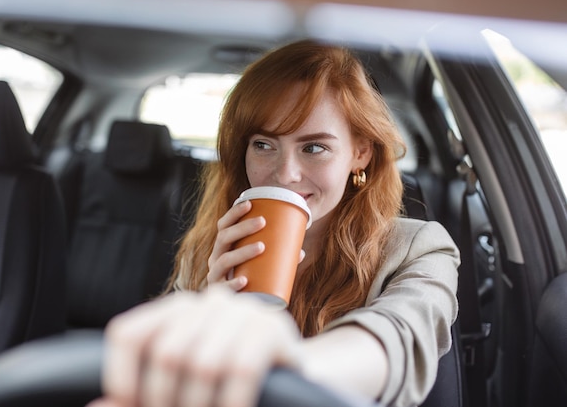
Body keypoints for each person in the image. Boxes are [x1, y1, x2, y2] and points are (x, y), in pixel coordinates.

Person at [89, 40, 460, 407]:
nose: (285, 174)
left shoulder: (420, 249)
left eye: (314, 147)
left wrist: (287, 365)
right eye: (264, 145)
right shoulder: (215, 246)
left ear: (359, 153)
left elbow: (396, 340)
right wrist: (214, 302)